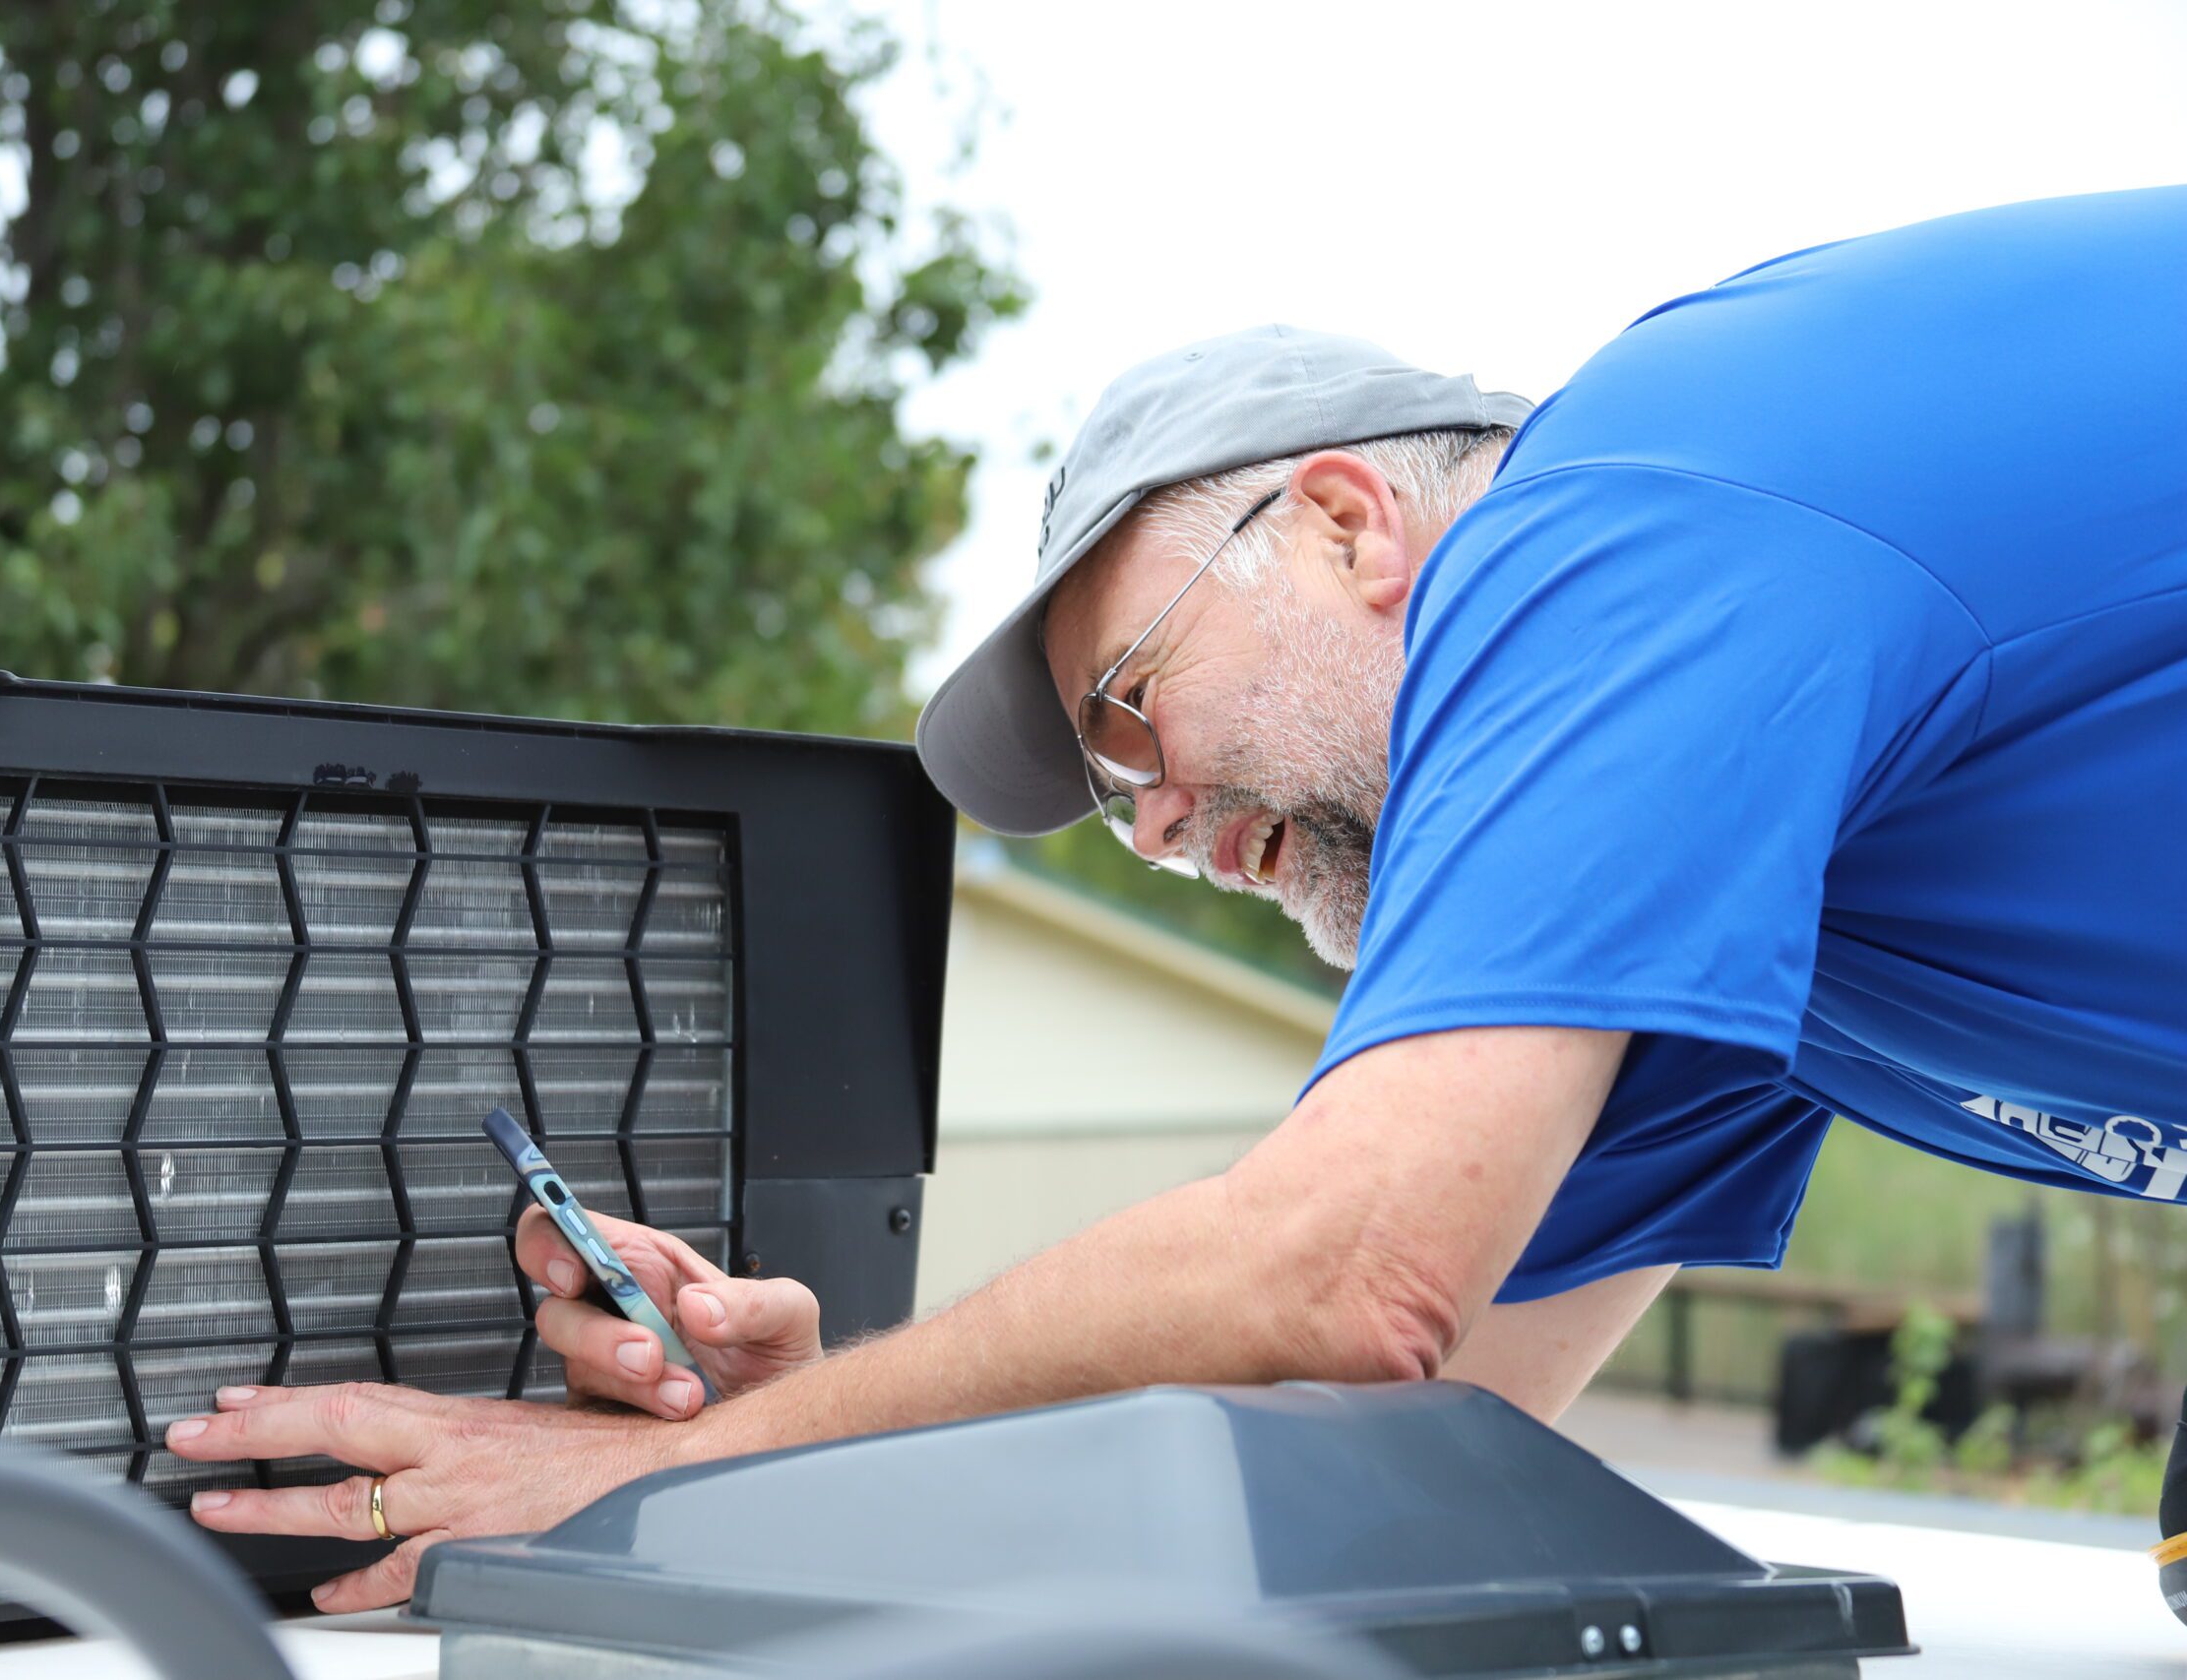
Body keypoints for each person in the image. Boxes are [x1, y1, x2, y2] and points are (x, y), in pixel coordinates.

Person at [165, 186, 2187, 1610]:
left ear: (1340, 520)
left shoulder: (1625, 521)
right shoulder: (1724, 840)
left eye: (1127, 709)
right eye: (1104, 801)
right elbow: (1391, 1420)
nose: (1155, 823)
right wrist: (840, 1442)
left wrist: (657, 1467)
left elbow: (1342, 1264)